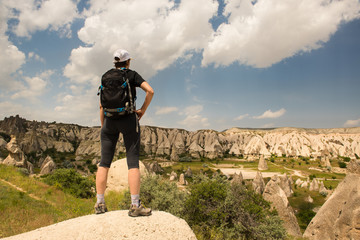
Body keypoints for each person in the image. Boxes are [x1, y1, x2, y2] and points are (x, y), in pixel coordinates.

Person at [94, 49, 154, 217]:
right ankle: (135, 206)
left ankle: (99, 203)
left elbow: (101, 105)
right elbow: (150, 91)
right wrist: (142, 109)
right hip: (128, 120)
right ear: (128, 62)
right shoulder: (131, 74)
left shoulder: (105, 76)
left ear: (115, 62)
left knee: (104, 163)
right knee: (133, 163)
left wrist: (104, 126)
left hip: (108, 121)